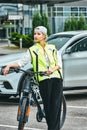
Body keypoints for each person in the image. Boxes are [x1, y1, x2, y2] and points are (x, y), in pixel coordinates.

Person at [3, 26, 63, 130]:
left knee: (56, 108)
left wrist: (52, 70)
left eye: (38, 34)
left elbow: (59, 63)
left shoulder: (53, 48)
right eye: (35, 33)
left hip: (56, 78)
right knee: (49, 109)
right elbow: (21, 63)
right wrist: (9, 66)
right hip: (44, 80)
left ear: (44, 36)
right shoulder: (32, 50)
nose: (35, 36)